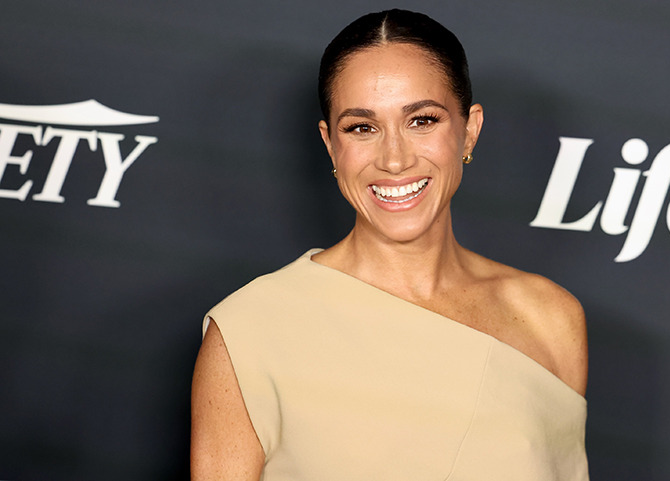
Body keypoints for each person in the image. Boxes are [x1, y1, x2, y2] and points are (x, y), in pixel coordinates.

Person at [191, 8, 589, 481]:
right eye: (362, 127)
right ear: (329, 144)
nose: (394, 159)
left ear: (470, 129)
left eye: (422, 120)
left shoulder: (550, 318)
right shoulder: (247, 334)